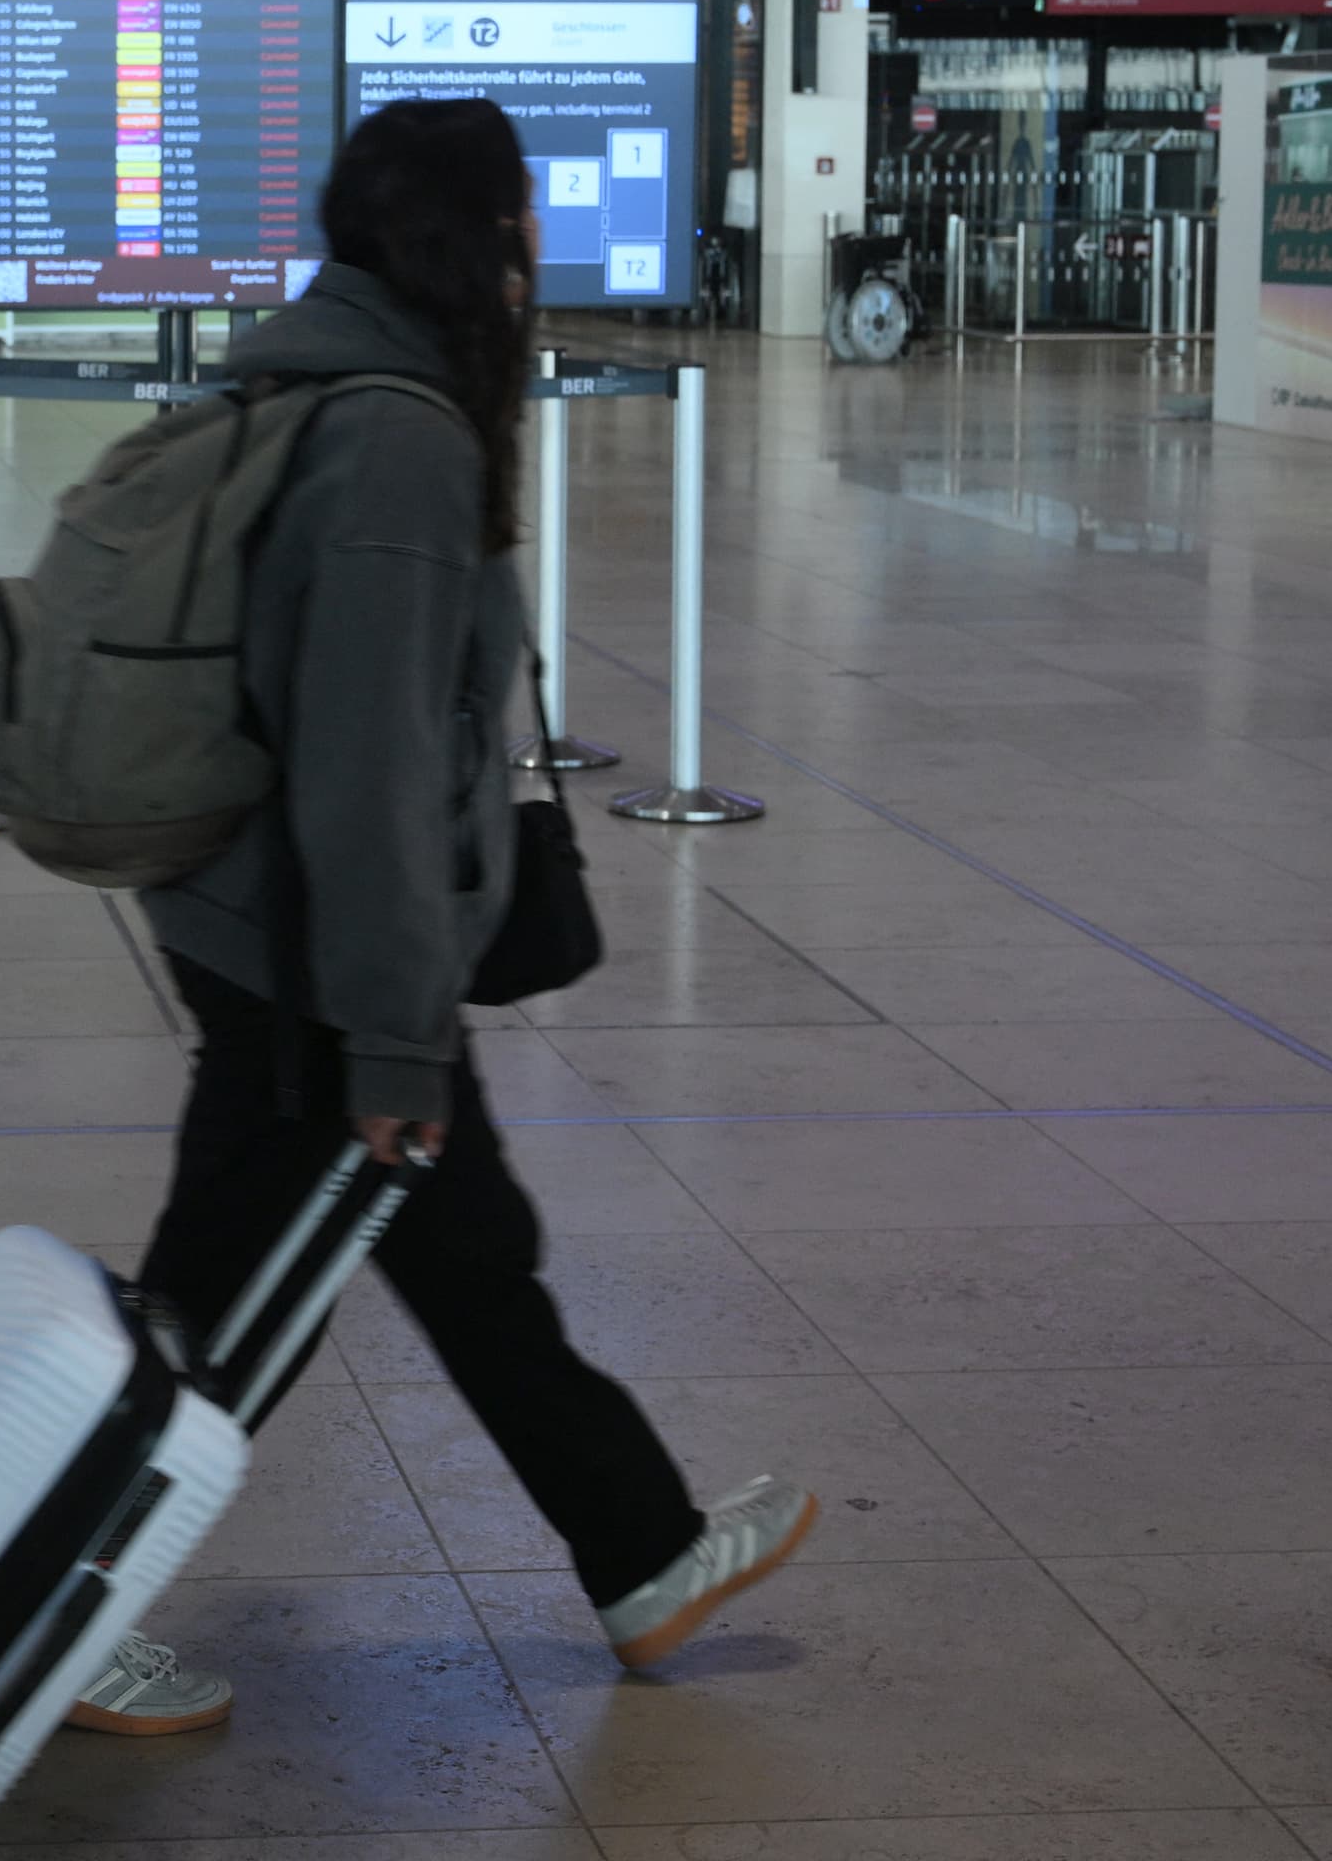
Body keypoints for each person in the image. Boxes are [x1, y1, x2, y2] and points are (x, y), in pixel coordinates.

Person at [64, 99, 818, 1739]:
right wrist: (396, 1039)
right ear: (475, 242)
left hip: (292, 942)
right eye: (518, 220)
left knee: (468, 1267)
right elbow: (369, 776)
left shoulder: (314, 372)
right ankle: (53, 1615)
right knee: (224, 1325)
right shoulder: (398, 440)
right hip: (322, 971)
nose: (534, 250)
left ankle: (645, 1554)